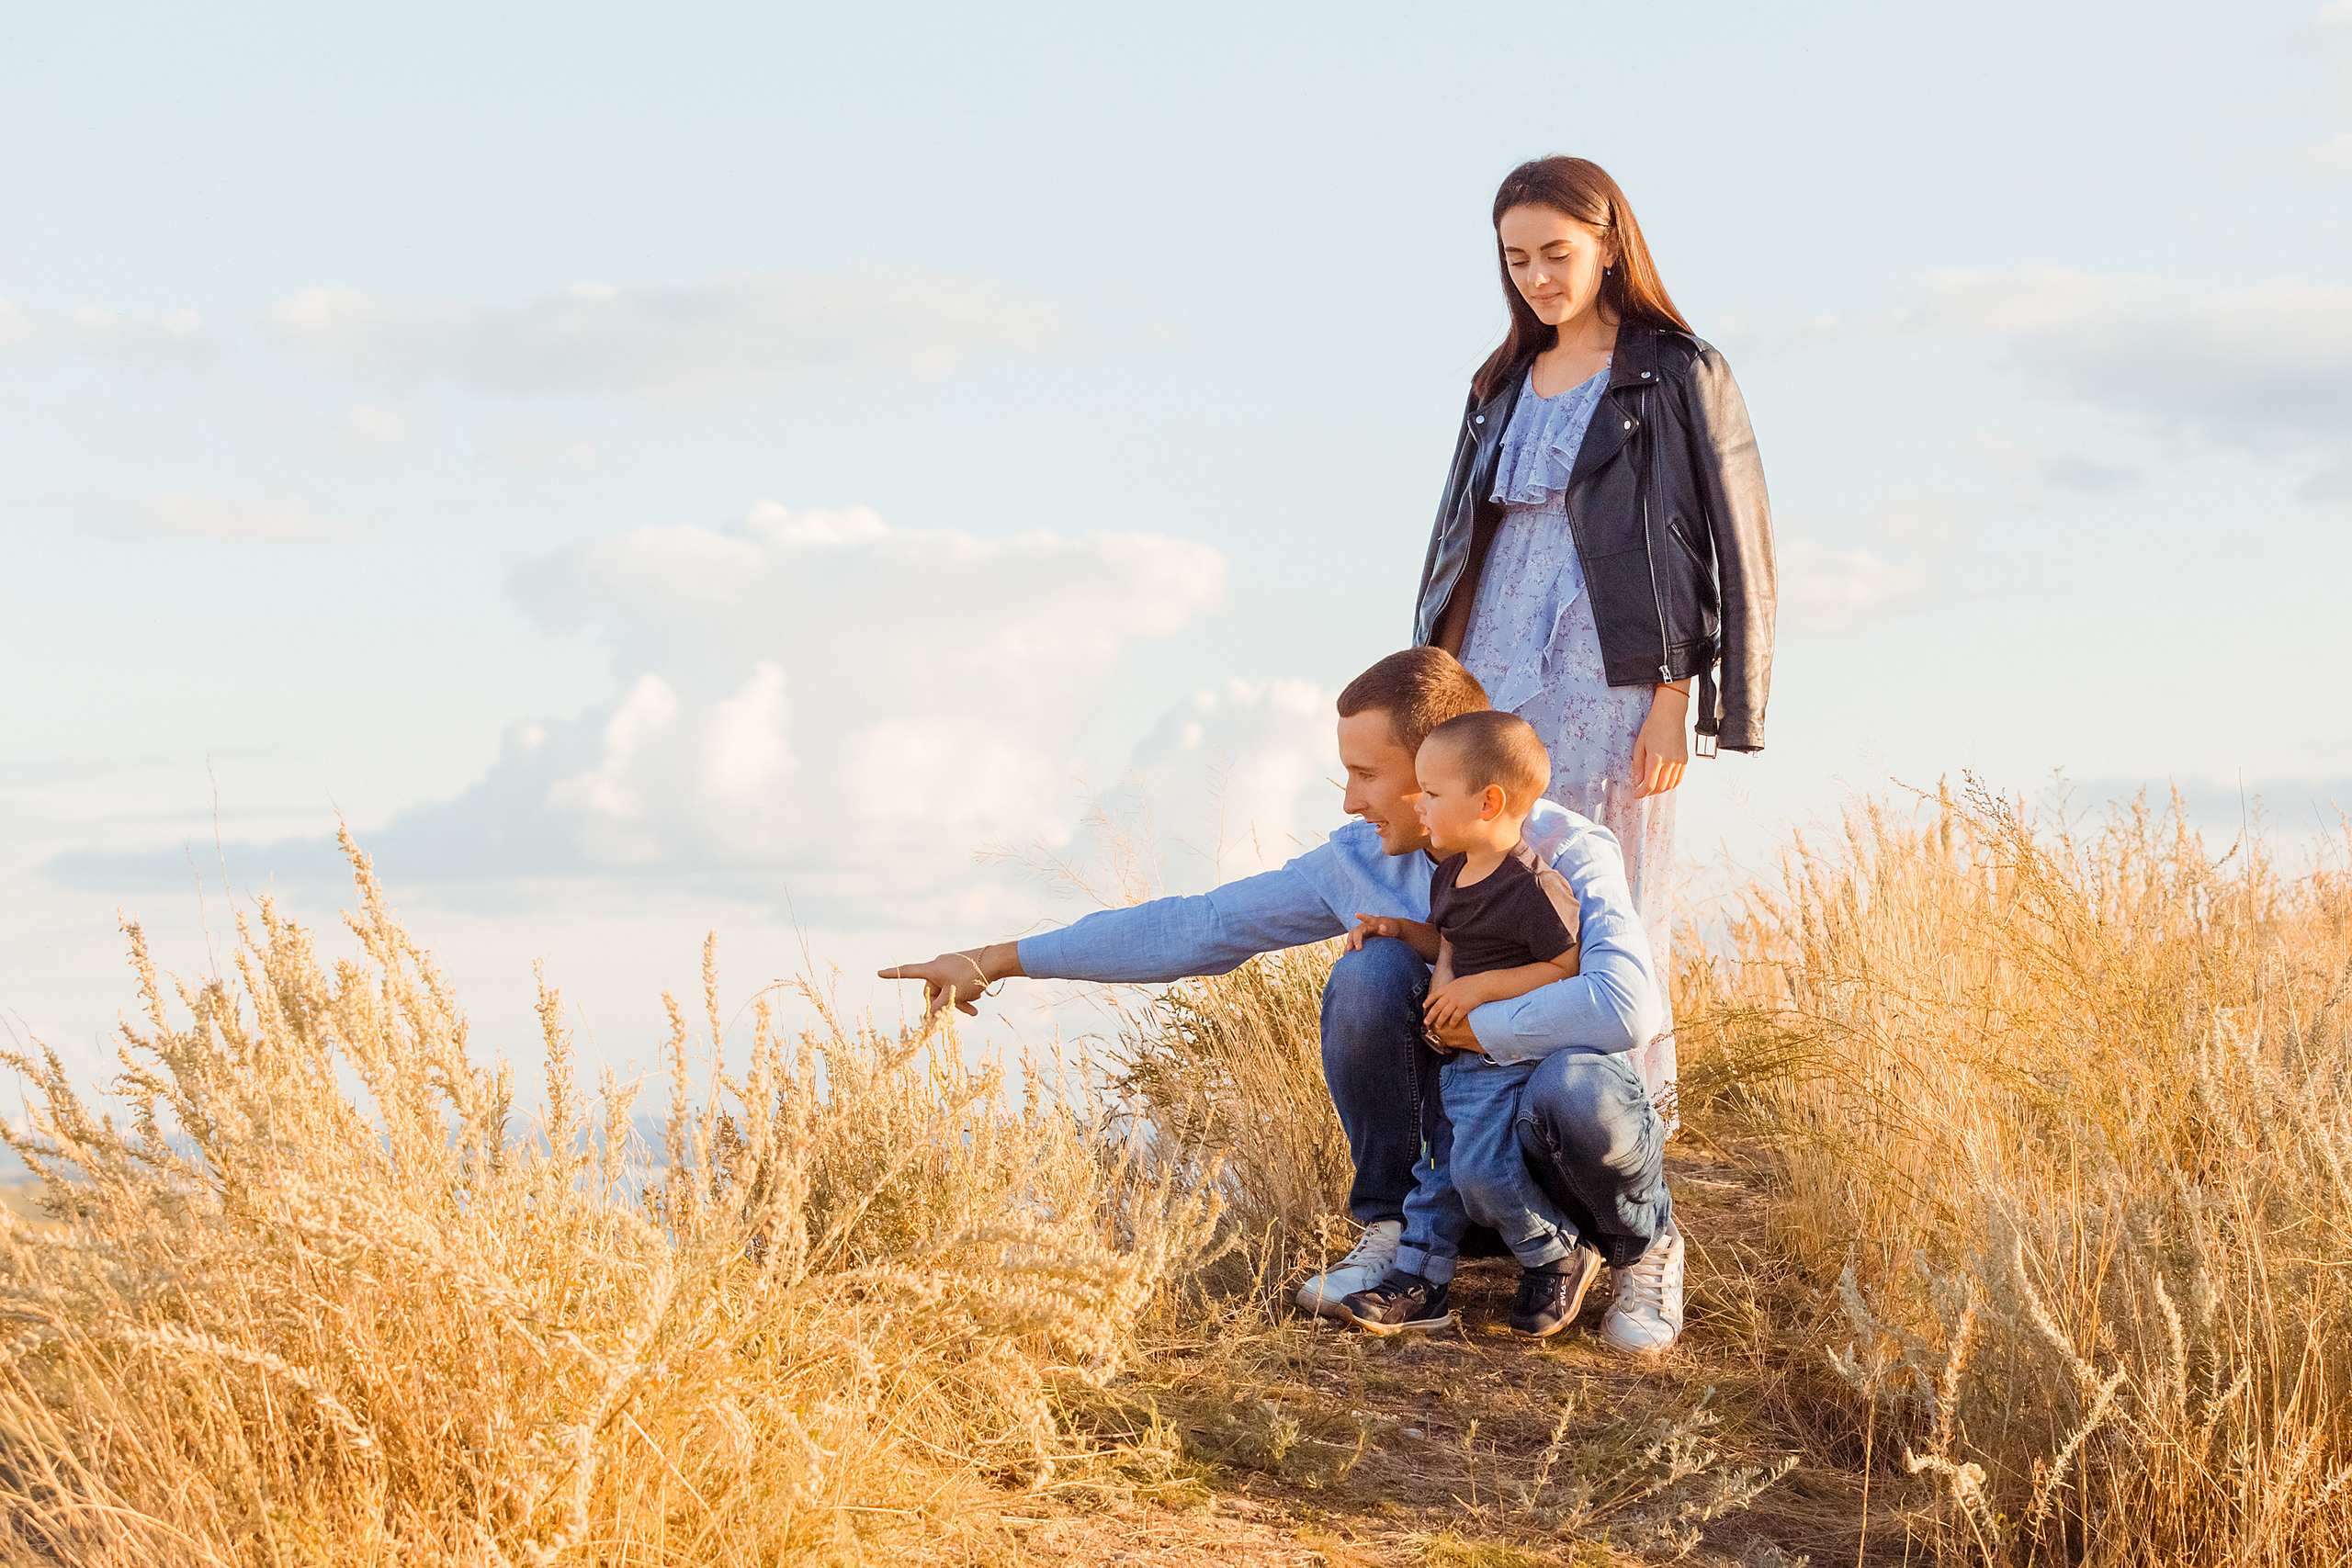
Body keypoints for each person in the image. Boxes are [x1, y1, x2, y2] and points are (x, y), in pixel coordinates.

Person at [879, 647, 1686, 1354]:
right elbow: (1198, 925)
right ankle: (1402, 1235)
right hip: (1463, 1155)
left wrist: (1478, 1023)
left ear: (1443, 771)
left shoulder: (1568, 849)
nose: (1349, 801)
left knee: (1571, 1082)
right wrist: (995, 960)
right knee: (1369, 973)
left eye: (1368, 775)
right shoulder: (1354, 863)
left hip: (1565, 1138)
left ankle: (1640, 1243)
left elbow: (1626, 1007)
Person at [1416, 156, 1777, 1127]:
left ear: (1609, 244)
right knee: (1493, 881)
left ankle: (1622, 1130)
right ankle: (1501, 1128)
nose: (1537, 277)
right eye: (1516, 258)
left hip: (1611, 670)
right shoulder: (1498, 383)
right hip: (1492, 664)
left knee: (1609, 893)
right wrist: (1429, 693)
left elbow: (1726, 542)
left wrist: (1681, 700)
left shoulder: (1675, 371)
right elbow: (1453, 545)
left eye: (1557, 253)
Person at [1334, 710, 1606, 1338]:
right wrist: (1404, 935)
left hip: (1507, 1062)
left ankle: (1556, 1252)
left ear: (1488, 802)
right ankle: (1421, 1286)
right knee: (1438, 1169)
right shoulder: (1454, 873)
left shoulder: (1534, 886)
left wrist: (1479, 989)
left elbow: (1566, 966)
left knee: (1479, 1168)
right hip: (1457, 1058)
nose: (1419, 805)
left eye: (1431, 793)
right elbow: (1454, 943)